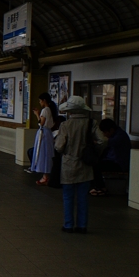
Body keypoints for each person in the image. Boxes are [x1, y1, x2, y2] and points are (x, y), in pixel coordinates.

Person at [54, 96, 106, 233]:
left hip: (68, 165)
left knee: (68, 196)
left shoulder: (65, 125)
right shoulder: (91, 123)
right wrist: (95, 153)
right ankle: (82, 226)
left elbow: (59, 147)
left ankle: (68, 225)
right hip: (86, 165)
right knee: (83, 197)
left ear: (70, 111)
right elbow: (102, 141)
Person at [91, 118, 131, 195]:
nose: (104, 135)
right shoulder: (118, 134)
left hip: (119, 164)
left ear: (111, 130)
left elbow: (105, 142)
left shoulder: (120, 136)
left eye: (105, 132)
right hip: (113, 160)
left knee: (96, 165)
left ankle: (101, 187)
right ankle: (97, 186)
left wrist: (96, 142)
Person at [30, 93, 59, 185]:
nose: (40, 102)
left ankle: (45, 176)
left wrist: (37, 114)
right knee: (47, 153)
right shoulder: (51, 110)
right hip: (48, 133)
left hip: (43, 133)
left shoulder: (45, 110)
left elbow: (41, 123)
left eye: (40, 101)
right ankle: (46, 175)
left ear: (44, 100)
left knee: (42, 153)